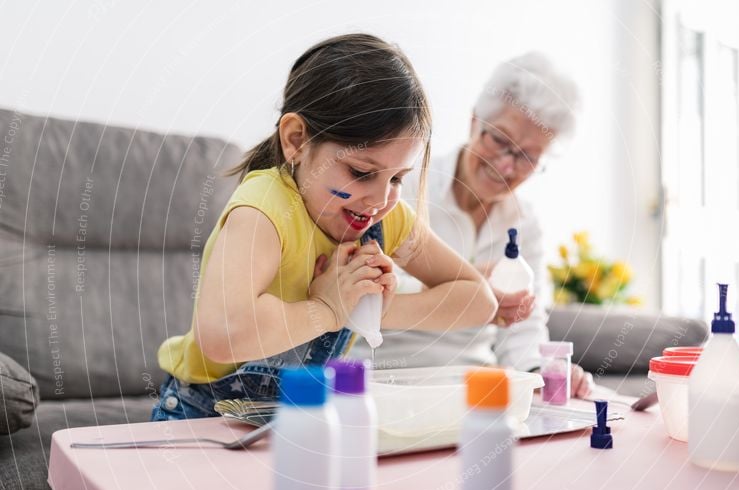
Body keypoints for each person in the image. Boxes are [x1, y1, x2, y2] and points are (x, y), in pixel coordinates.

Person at [151, 34, 497, 421]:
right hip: (202, 417)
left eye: (398, 178)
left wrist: (367, 310)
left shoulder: (385, 216)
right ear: (296, 140)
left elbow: (478, 300)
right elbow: (221, 334)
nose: (380, 199)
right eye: (361, 172)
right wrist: (327, 309)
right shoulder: (265, 209)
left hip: (297, 418)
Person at [354, 51, 593, 397]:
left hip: (477, 388)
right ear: (473, 122)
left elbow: (524, 327)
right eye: (499, 140)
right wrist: (465, 287)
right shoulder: (399, 188)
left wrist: (543, 371)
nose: (507, 166)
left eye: (528, 157)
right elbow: (358, 293)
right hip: (382, 379)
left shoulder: (526, 225)